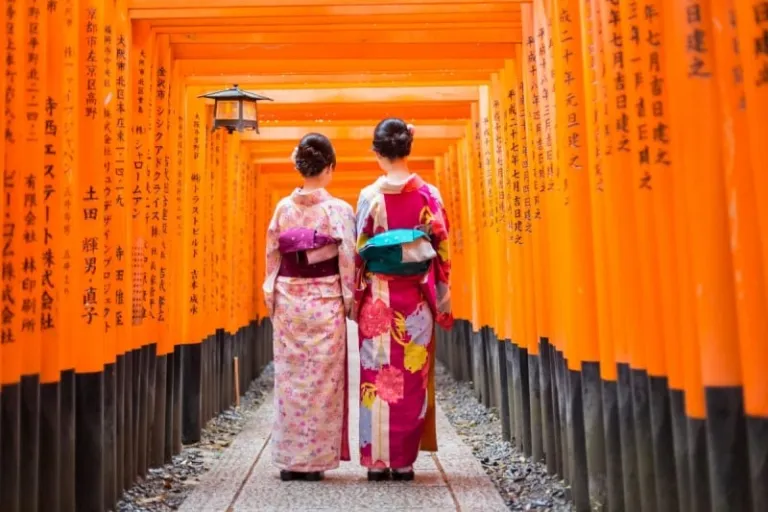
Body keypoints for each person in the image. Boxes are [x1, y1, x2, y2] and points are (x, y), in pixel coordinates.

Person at [353, 118, 453, 481]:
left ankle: (376, 461)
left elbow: (359, 250)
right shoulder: (430, 195)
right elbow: (441, 252)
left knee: (376, 374)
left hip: (378, 298)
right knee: (411, 376)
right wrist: (441, 296)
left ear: (378, 152)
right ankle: (404, 461)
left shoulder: (369, 197)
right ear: (408, 148)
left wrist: (356, 296)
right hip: (414, 302)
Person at [263, 133, 356, 482]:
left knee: (290, 379)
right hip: (324, 299)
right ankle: (314, 461)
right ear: (330, 167)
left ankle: (291, 460)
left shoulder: (283, 209)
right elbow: (348, 260)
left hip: (289, 298)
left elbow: (272, 256)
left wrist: (271, 295)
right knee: (322, 381)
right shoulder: (339, 210)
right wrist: (350, 302)